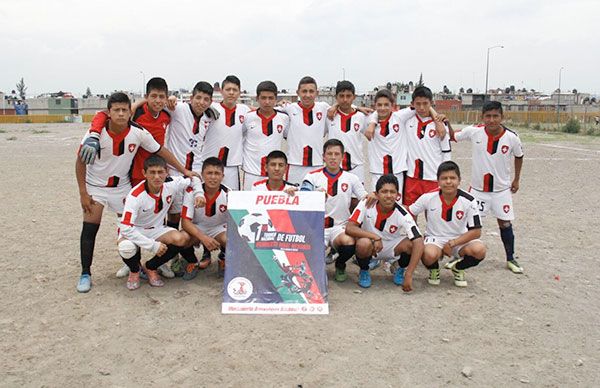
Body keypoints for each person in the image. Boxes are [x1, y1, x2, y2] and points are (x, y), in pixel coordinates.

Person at [75, 92, 196, 292]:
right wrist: (83, 193)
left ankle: (134, 266)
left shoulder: (137, 132)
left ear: (130, 112)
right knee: (89, 230)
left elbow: (161, 150)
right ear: (109, 112)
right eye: (117, 110)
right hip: (96, 187)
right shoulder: (94, 133)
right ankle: (85, 273)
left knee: (132, 228)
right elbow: (80, 163)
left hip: (122, 188)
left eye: (125, 110)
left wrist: (183, 170)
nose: (121, 114)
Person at [84, 78, 175, 279]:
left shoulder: (168, 113)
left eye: (162, 96)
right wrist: (93, 133)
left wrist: (173, 100)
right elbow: (104, 114)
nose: (158, 100)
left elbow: (162, 147)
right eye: (153, 96)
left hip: (159, 172)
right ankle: (131, 261)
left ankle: (162, 263)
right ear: (146, 97)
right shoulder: (135, 112)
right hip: (136, 174)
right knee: (133, 221)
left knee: (159, 216)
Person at [451, 101, 524, 273]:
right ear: (482, 117)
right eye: (488, 116)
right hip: (478, 191)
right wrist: (444, 122)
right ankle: (458, 254)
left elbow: (519, 156)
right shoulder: (474, 132)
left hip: (501, 190)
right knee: (468, 224)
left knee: (505, 223)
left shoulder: (512, 137)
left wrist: (517, 179)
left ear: (502, 117)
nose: (491, 120)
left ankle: (510, 258)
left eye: (495, 116)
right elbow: (452, 136)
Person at [118, 155, 204, 290]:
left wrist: (199, 193)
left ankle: (151, 267)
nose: (157, 177)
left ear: (166, 172)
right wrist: (152, 246)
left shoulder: (171, 183)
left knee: (181, 238)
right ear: (144, 173)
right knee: (125, 247)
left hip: (156, 229)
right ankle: (135, 270)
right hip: (135, 229)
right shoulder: (135, 196)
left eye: (160, 172)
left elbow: (194, 179)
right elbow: (126, 228)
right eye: (152, 172)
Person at [300, 139, 377, 283]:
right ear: (323, 156)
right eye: (329, 154)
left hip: (339, 227)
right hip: (317, 228)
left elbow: (364, 198)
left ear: (343, 157)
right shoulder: (312, 176)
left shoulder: (351, 178)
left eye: (336, 154)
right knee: (310, 260)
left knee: (349, 242)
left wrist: (373, 195)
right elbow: (303, 195)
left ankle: (340, 264)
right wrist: (315, 194)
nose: (333, 157)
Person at [409, 161, 486, 287]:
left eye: (452, 178)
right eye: (444, 178)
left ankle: (458, 268)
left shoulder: (469, 200)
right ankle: (434, 269)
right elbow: (410, 211)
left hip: (459, 239)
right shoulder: (428, 197)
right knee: (428, 255)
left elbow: (476, 231)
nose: (448, 182)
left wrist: (453, 243)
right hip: (435, 238)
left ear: (459, 180)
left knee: (479, 250)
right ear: (438, 181)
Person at [346, 174, 424, 289]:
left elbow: (419, 240)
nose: (388, 196)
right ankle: (364, 270)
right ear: (376, 194)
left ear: (398, 195)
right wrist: (374, 237)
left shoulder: (403, 213)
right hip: (371, 245)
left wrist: (409, 274)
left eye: (392, 192)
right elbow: (350, 228)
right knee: (363, 243)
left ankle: (400, 269)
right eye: (384, 192)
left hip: (392, 246)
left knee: (412, 244)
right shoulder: (366, 203)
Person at [401, 86, 451, 207]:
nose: (422, 107)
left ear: (431, 103)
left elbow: (446, 151)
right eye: (418, 104)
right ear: (412, 104)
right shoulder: (406, 121)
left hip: (432, 177)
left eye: (425, 103)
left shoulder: (440, 124)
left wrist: (445, 175)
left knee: (433, 215)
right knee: (410, 214)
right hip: (412, 177)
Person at [180, 157, 229, 279]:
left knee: (233, 240)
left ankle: (223, 259)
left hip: (218, 229)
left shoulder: (229, 194)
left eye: (217, 173)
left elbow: (235, 222)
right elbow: (185, 222)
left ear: (222, 176)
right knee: (181, 239)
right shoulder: (192, 192)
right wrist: (203, 238)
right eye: (209, 173)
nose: (213, 177)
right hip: (198, 228)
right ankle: (192, 261)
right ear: (202, 175)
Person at [201, 75, 251, 190]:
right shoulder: (211, 108)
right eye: (228, 89)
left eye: (235, 90)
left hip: (231, 167)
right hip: (209, 164)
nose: (231, 93)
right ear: (222, 91)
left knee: (232, 201)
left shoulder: (245, 111)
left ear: (239, 92)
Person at [278, 76, 330, 185]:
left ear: (317, 93)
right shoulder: (289, 108)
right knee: (294, 199)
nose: (307, 95)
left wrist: (357, 108)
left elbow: (343, 107)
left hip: (317, 164)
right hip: (294, 165)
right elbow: (266, 109)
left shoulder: (323, 108)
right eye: (304, 91)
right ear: (298, 92)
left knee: (318, 199)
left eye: (311, 91)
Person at [241, 80, 290, 190]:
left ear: (276, 99)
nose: (267, 102)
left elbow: (290, 139)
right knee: (250, 204)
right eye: (263, 98)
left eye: (270, 98)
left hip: (274, 174)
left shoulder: (284, 118)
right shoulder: (248, 117)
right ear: (257, 99)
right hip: (251, 172)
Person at [326, 81, 368, 185]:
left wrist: (357, 108)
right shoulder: (328, 116)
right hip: (335, 168)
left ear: (354, 97)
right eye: (341, 96)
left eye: (348, 96)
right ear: (336, 97)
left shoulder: (361, 117)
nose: (345, 99)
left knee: (357, 200)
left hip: (356, 167)